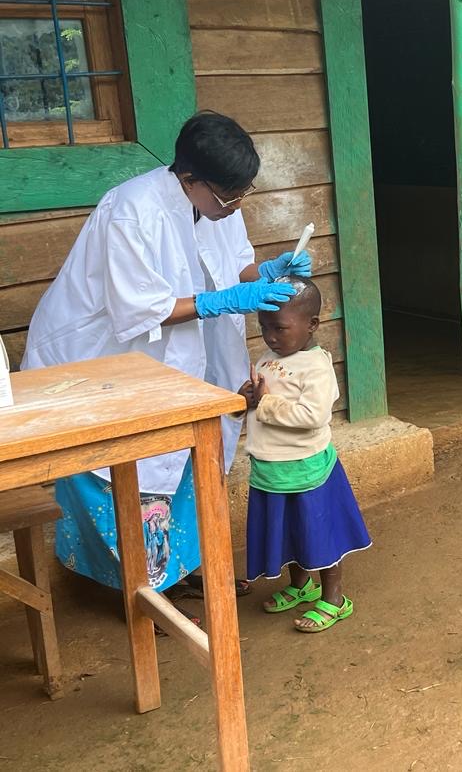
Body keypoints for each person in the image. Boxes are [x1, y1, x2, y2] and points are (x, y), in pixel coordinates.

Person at [22, 111, 313, 597]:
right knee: (127, 474)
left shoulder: (219, 204)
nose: (237, 205)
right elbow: (140, 310)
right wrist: (221, 301)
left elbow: (236, 266)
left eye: (244, 193)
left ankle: (177, 572)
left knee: (186, 460)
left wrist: (266, 272)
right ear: (189, 178)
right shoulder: (131, 211)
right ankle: (143, 593)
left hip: (179, 358)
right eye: (229, 197)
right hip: (102, 359)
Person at [239, 277, 371, 633]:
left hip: (307, 470)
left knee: (319, 532)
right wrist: (244, 399)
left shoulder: (316, 367)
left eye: (279, 328)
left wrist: (264, 402)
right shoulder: (268, 359)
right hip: (270, 469)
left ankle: (334, 598)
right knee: (289, 530)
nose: (270, 337)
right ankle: (300, 585)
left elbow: (313, 416)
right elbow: (258, 406)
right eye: (264, 327)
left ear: (312, 324)